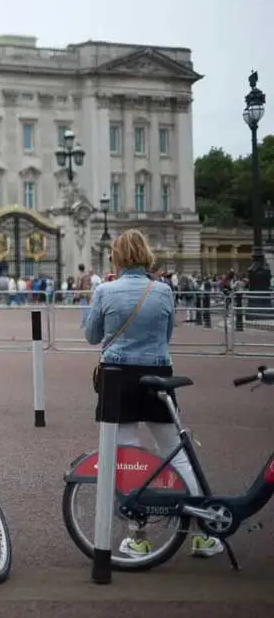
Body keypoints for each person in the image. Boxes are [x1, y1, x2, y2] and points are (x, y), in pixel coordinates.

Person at [83, 229, 222, 560]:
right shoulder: (162, 291)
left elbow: (92, 336)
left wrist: (97, 299)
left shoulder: (105, 290)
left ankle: (139, 536)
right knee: (177, 452)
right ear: (146, 254)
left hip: (118, 376)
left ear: (116, 257)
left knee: (129, 456)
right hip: (158, 374)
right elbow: (167, 333)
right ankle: (204, 532)